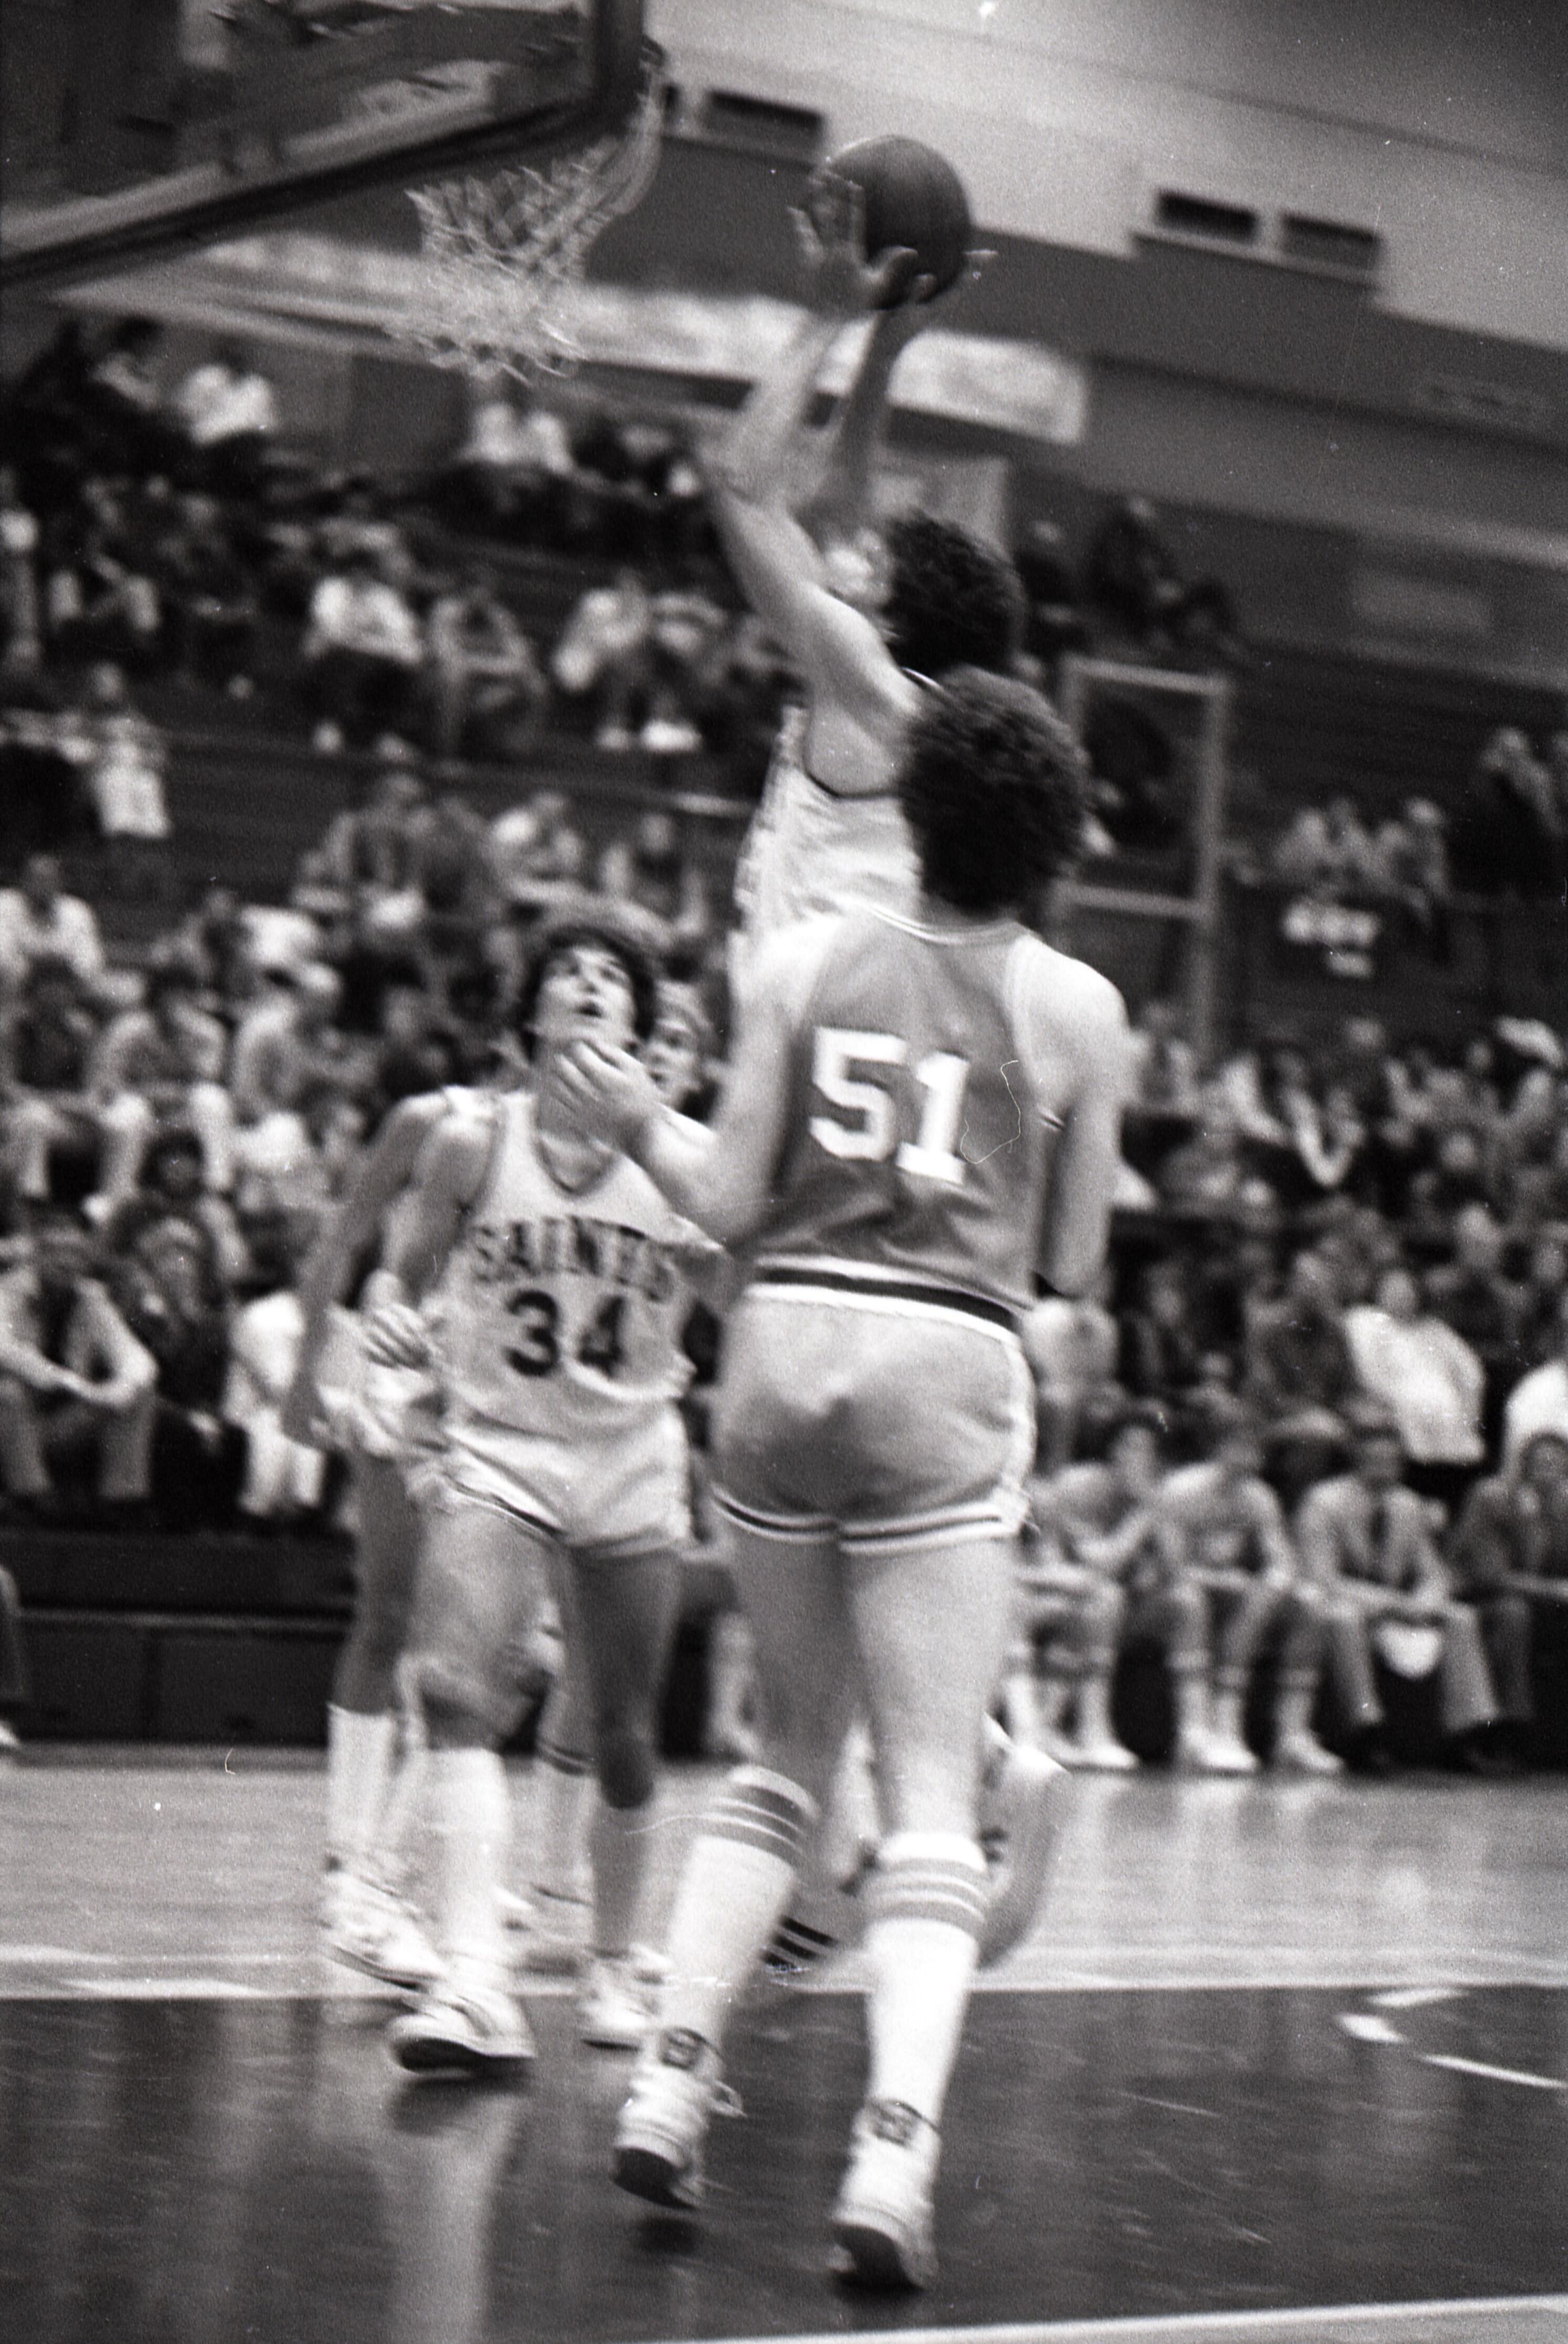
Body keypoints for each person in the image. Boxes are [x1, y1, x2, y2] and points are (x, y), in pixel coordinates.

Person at [559, 655, 1122, 2290]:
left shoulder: (800, 959)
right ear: (1051, 841)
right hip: (939, 1355)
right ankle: (889, 2153)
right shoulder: (1077, 1007)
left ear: (917, 809)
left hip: (781, 1353)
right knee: (931, 1792)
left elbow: (726, 1201)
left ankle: (671, 2076)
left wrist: (638, 1117)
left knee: (783, 1755)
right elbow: (1073, 1258)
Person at [365, 910, 716, 2075]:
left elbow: (747, 1291)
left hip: (630, 1453)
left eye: (612, 976)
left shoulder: (684, 1157)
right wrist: (391, 1323)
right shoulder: (474, 1142)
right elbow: (399, 1278)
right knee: (450, 1687)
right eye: (567, 971)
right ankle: (475, 1982)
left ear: (642, 1026)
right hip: (502, 1444)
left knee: (622, 1730)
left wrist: (718, 1258)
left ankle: (613, 1958)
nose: (589, 984)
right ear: (529, 1018)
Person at [1294, 1408, 1507, 1776]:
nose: (1385, 1468)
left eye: (1392, 1461)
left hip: (1398, 1606)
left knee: (1461, 1617)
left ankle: (1466, 1734)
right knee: (1344, 1619)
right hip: (1342, 1602)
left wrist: (1425, 1601)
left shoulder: (1408, 1505)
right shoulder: (1323, 1502)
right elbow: (1322, 1578)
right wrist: (1392, 1604)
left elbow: (1432, 1572)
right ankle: (1366, 1731)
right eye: (1376, 1459)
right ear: (1358, 1459)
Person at [1148, 1397, 1341, 1776]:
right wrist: (1230, 1582)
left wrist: (1271, 1585)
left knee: (1309, 1605)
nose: (1250, 1457)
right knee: (1190, 1600)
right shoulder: (1180, 1490)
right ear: (1218, 1446)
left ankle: (1291, 1736)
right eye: (1240, 1445)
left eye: (1255, 1448)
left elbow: (1281, 1560)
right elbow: (1172, 1568)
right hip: (1166, 1597)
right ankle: (1197, 1732)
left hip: (1233, 1598)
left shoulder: (1260, 1497)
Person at [1007, 1404, 1164, 1770]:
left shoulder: (1148, 1498)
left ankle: (1068, 1729)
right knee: (1064, 1603)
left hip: (1057, 1594)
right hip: (1015, 1594)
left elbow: (1172, 1571)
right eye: (1133, 1447)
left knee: (1098, 1604)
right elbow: (1086, 1567)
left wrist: (1152, 1511)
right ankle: (1028, 1733)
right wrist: (1144, 1517)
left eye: (1148, 1452)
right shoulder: (1072, 1487)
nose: (1139, 1459)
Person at [0, 1209, 157, 1521]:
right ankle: (31, 1500)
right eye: (55, 1251)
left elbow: (138, 1360)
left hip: (58, 1424)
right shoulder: (7, 1292)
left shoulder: (90, 1298)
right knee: (8, 1392)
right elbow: (5, 1349)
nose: (65, 1261)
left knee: (139, 1395)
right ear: (36, 1255)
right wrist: (67, 1382)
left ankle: (121, 1505)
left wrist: (119, 1390)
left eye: (74, 1253)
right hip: (13, 1428)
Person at [1445, 1428, 1568, 1765]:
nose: (1549, 1472)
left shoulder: (1562, 1505)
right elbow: (1490, 1576)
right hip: (1477, 1598)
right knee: (1514, 1614)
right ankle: (1507, 1728)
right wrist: (1554, 1590)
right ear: (1523, 1467)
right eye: (1542, 1464)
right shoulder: (1493, 1497)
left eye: (1558, 1465)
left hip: (1535, 1601)